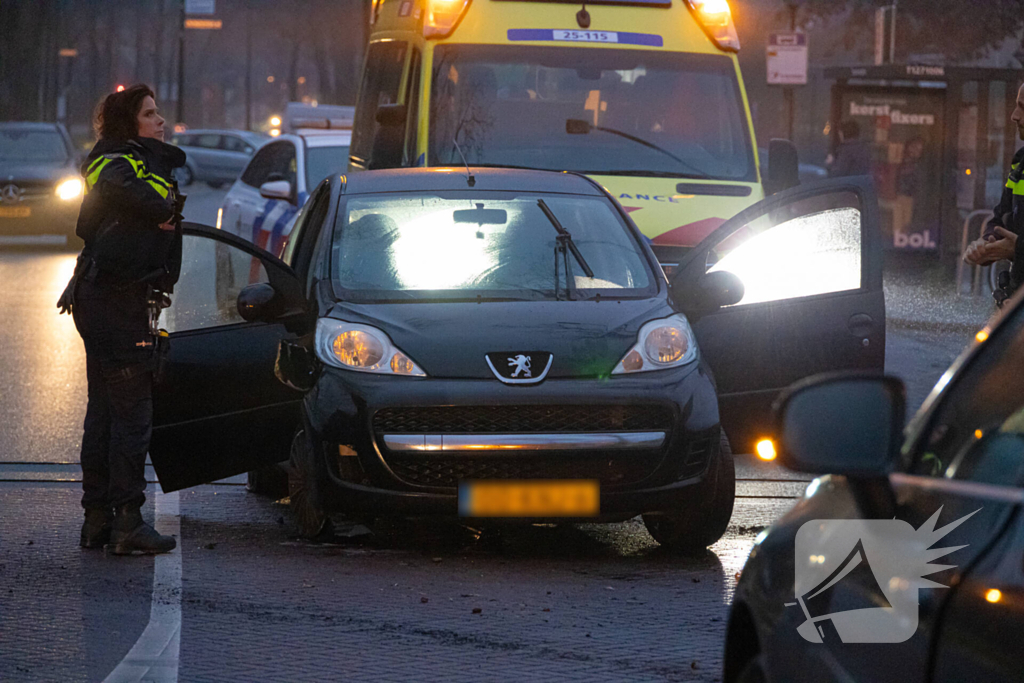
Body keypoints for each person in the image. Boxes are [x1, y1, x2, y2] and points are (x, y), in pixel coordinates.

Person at [56, 84, 186, 554]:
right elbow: (113, 179)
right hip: (113, 303)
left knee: (107, 412)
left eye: (159, 113)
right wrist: (161, 206)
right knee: (132, 416)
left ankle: (98, 520)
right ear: (128, 123)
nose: (161, 121)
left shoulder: (135, 160)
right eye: (151, 114)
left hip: (107, 301)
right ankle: (128, 522)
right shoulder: (117, 157)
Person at [963, 82, 1024, 306]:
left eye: (1023, 107)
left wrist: (1017, 249)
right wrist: (986, 244)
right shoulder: (1020, 162)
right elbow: (1002, 216)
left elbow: (1016, 245)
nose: (1014, 116)